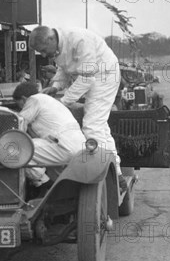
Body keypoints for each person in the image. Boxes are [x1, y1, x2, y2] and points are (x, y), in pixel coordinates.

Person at [29, 26, 125, 190]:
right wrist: (56, 87)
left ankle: (106, 175)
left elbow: (87, 80)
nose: (44, 55)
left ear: (51, 39)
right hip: (92, 77)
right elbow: (64, 69)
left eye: (44, 50)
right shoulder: (58, 46)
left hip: (105, 75)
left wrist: (62, 103)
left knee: (92, 125)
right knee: (99, 124)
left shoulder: (80, 40)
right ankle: (116, 171)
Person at [12, 82, 86, 196]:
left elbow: (20, 124)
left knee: (15, 149)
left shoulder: (34, 100)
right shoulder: (51, 101)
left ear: (23, 98)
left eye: (20, 105)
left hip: (64, 146)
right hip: (78, 145)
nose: (21, 108)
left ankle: (45, 185)